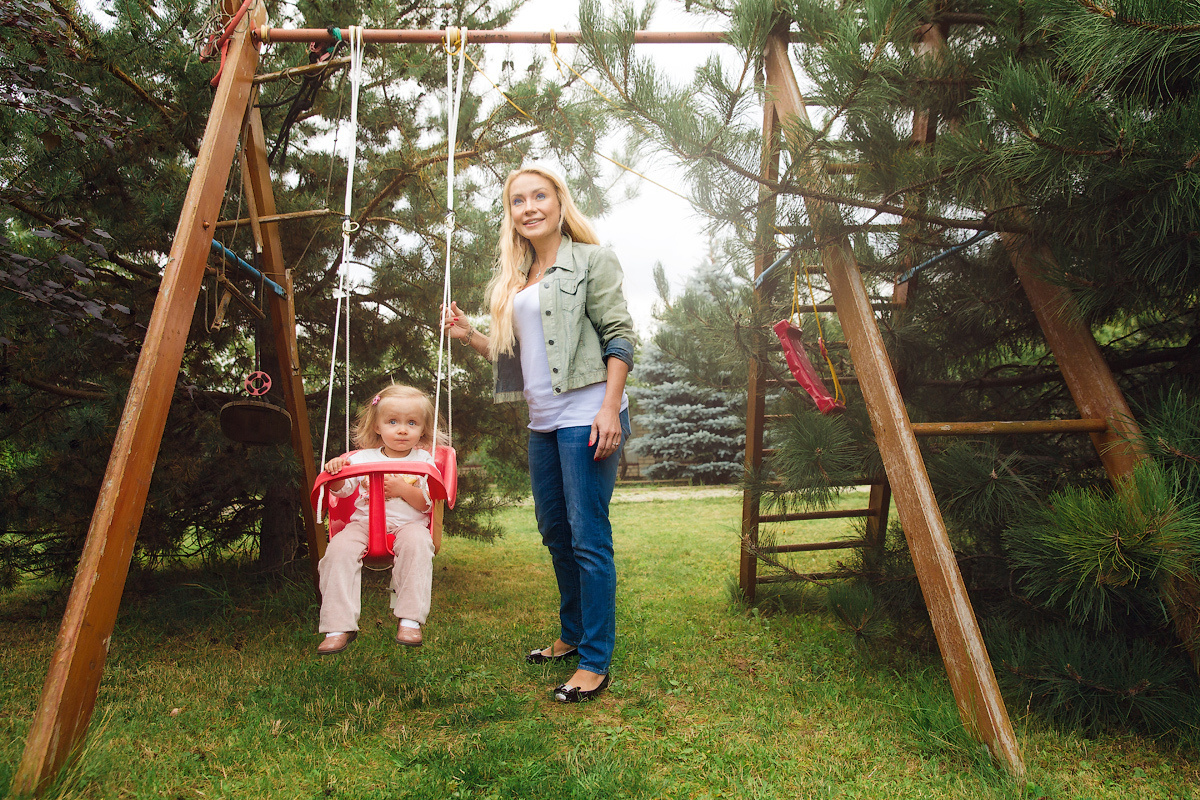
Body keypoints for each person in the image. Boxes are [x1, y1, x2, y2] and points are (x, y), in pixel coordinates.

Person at [443, 165, 635, 703]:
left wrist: (609, 409)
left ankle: (595, 661)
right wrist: (469, 334)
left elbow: (620, 336)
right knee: (555, 532)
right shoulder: (518, 279)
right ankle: (572, 635)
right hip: (543, 425)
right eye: (518, 201)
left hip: (587, 415)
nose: (529, 207)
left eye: (539, 196)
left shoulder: (592, 260)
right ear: (511, 214)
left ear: (558, 202)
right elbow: (516, 356)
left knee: (588, 537)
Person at [316, 384, 440, 654]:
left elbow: (428, 503)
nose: (402, 429)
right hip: (364, 524)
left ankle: (410, 620)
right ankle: (338, 626)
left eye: (412, 423)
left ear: (423, 429)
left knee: (418, 545)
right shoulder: (361, 458)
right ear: (377, 426)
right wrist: (335, 472)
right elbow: (341, 491)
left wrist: (402, 490)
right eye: (392, 422)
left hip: (409, 525)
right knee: (338, 550)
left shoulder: (424, 459)